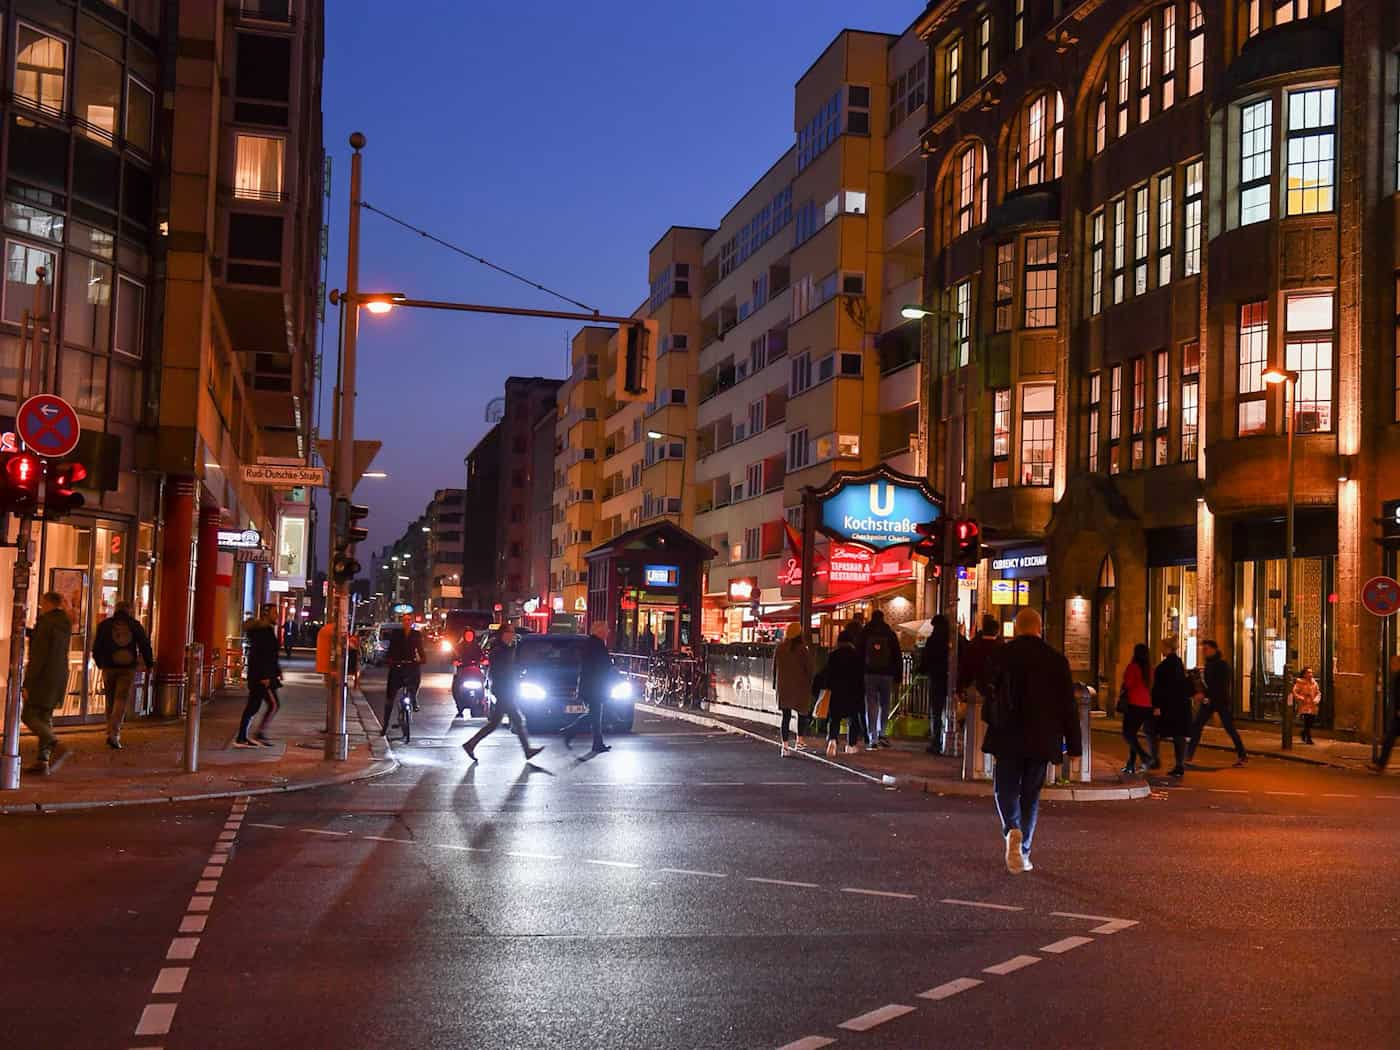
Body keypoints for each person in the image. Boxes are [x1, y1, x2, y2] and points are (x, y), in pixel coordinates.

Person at [981, 608, 1081, 874]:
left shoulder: (1002, 654)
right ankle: (1024, 850)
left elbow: (985, 687)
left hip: (1007, 733)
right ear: (1040, 628)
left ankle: (1011, 829)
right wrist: (1074, 745)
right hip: (1041, 737)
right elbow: (1068, 706)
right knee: (1030, 795)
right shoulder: (1056, 660)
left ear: (1016, 627)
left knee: (1005, 788)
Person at [463, 623, 544, 761]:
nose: (512, 635)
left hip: (507, 690)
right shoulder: (499, 650)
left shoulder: (506, 648)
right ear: (503, 634)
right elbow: (500, 671)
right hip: (503, 690)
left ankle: (471, 744)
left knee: (497, 723)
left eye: (513, 633)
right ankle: (527, 750)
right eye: (510, 633)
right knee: (515, 720)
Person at [22, 592, 73, 774]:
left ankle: (56, 744)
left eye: (43, 603)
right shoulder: (64, 622)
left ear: (48, 603)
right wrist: (29, 633)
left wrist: (27, 683)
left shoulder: (46, 623)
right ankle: (42, 761)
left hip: (43, 677)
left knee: (28, 716)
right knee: (45, 716)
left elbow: (39, 655)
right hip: (59, 675)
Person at [91, 600, 153, 750]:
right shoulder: (134, 625)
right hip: (127, 667)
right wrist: (149, 663)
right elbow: (144, 644)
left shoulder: (105, 625)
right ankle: (114, 732)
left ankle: (110, 729)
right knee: (121, 699)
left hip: (109, 666)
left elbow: (96, 646)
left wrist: (100, 663)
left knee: (110, 699)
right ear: (129, 611)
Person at [1187, 639, 1248, 766]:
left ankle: (1242, 754)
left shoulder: (1221, 665)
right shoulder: (1208, 664)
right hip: (1210, 700)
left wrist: (1205, 694)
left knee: (1229, 728)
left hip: (1220, 700)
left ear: (1214, 649)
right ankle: (1188, 755)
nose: (1204, 652)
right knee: (1197, 725)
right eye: (1203, 649)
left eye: (1206, 649)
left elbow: (1219, 686)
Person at [563, 620, 614, 753]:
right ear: (600, 631)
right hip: (595, 687)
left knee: (595, 716)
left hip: (590, 686)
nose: (608, 632)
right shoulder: (597, 645)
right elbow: (603, 666)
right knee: (594, 715)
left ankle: (597, 743)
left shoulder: (591, 644)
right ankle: (570, 731)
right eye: (606, 629)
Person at [235, 605, 282, 748]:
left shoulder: (264, 631)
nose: (277, 616)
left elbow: (270, 655)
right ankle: (249, 736)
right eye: (275, 613)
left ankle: (245, 736)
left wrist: (278, 671)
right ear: (266, 614)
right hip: (262, 677)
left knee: (256, 705)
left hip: (263, 676)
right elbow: (261, 656)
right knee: (270, 705)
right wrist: (266, 676)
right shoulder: (263, 632)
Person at [818, 631, 866, 757]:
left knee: (835, 718)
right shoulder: (857, 656)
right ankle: (850, 745)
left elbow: (827, 675)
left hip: (836, 692)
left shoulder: (833, 655)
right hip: (853, 691)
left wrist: (827, 688)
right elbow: (861, 677)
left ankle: (832, 740)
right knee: (853, 718)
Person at [858, 610, 901, 748]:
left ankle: (873, 737)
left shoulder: (865, 633)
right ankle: (882, 732)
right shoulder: (890, 634)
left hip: (869, 673)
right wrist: (898, 676)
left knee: (871, 704)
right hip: (887, 674)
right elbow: (897, 656)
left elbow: (859, 653)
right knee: (885, 704)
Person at [1151, 637, 1193, 777]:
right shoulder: (1180, 664)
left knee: (1154, 731)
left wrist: (1156, 706)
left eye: (1163, 647)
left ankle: (1155, 759)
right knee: (1178, 736)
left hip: (1168, 706)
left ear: (1168, 648)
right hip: (1181, 705)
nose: (1161, 650)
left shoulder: (1163, 667)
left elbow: (1158, 689)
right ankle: (1179, 764)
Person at [773, 622, 815, 756]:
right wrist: (810, 682)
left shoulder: (780, 648)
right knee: (801, 714)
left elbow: (774, 668)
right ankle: (799, 740)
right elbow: (809, 669)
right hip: (800, 686)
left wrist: (776, 684)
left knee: (785, 717)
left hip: (784, 687)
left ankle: (784, 746)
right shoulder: (803, 649)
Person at [381, 613, 424, 735]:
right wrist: (389, 659)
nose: (407, 622)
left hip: (410, 665)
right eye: (404, 620)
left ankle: (414, 699)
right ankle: (385, 726)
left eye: (409, 620)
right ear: (402, 621)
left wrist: (422, 659)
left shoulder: (416, 634)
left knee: (416, 678)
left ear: (412, 621)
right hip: (397, 666)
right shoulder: (396, 634)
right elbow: (390, 649)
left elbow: (420, 649)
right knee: (390, 697)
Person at [1119, 643, 1156, 774]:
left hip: (1134, 704)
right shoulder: (1150, 669)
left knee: (1127, 733)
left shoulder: (1133, 667)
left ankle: (1144, 756)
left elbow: (1128, 684)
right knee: (1132, 734)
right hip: (1146, 705)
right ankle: (1130, 764)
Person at [918, 615, 953, 755]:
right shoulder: (954, 639)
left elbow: (926, 658)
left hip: (936, 678)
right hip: (950, 679)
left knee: (936, 711)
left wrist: (921, 669)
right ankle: (950, 741)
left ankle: (936, 742)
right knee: (950, 711)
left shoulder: (933, 640)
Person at [1371, 655, 1400, 772]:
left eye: (1394, 663)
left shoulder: (1399, 677)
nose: (1392, 665)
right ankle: (1380, 764)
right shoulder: (1396, 676)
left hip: (1399, 714)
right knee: (1389, 739)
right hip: (1396, 714)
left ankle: (1380, 764)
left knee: (1389, 739)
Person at [1291, 667, 1320, 745]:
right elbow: (1294, 692)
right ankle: (1309, 739)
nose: (1310, 674)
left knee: (1311, 721)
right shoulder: (1300, 683)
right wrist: (1301, 698)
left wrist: (1316, 700)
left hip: (1312, 705)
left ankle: (1303, 733)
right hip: (1304, 705)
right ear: (1304, 674)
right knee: (1307, 721)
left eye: (1311, 672)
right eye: (1308, 672)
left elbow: (1318, 692)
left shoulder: (1314, 683)